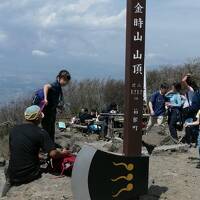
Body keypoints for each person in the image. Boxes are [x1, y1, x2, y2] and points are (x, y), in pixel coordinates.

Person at [1, 105, 70, 197]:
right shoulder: (41, 132)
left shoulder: (14, 130)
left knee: (9, 179)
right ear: (37, 117)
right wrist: (63, 153)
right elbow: (53, 154)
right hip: (30, 174)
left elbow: (16, 151)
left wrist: (35, 155)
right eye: (40, 116)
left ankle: (3, 196)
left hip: (13, 173)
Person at [41, 70, 71, 142]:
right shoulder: (55, 85)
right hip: (47, 112)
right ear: (60, 78)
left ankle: (50, 145)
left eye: (67, 81)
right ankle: (46, 147)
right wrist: (45, 98)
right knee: (47, 130)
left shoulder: (58, 87)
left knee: (51, 130)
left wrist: (58, 106)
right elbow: (46, 86)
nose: (66, 83)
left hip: (51, 111)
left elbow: (54, 99)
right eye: (65, 80)